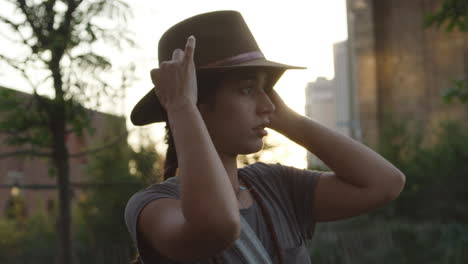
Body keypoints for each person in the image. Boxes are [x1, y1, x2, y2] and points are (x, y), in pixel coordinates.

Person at [125, 10, 405, 264]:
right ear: (197, 103)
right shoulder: (152, 206)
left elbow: (385, 183)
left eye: (267, 90)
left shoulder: (274, 185)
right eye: (247, 90)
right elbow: (218, 227)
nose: (268, 104)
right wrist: (181, 108)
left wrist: (286, 118)